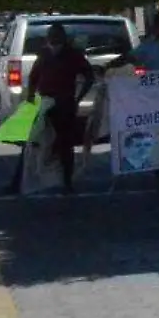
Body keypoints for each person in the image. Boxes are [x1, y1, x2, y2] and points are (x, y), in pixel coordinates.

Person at [23, 24, 97, 194]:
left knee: (65, 143)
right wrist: (31, 96)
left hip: (65, 102)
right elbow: (34, 76)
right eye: (51, 35)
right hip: (45, 102)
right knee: (35, 141)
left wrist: (78, 97)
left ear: (63, 37)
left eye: (57, 35)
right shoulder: (44, 54)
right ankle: (33, 177)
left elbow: (89, 76)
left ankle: (66, 181)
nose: (53, 38)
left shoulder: (72, 55)